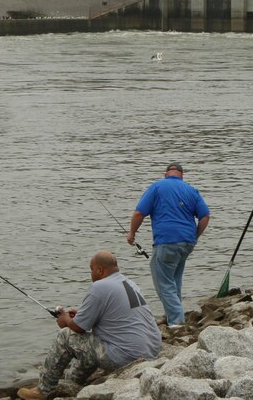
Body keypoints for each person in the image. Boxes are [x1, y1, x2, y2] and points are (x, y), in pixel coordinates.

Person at [17, 251, 161, 400]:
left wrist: (65, 319)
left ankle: (43, 390)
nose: (91, 274)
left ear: (100, 270)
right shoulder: (129, 283)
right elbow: (114, 314)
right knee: (91, 342)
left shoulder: (100, 286)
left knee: (66, 336)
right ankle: (71, 383)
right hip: (151, 350)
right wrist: (80, 313)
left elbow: (78, 327)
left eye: (91, 269)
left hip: (127, 356)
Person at [127, 162, 210, 327]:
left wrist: (132, 234)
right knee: (174, 280)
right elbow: (205, 216)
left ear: (166, 174)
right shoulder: (191, 190)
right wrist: (195, 236)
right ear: (182, 175)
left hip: (166, 242)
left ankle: (177, 322)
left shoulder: (157, 187)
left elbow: (139, 213)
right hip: (187, 243)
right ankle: (173, 314)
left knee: (163, 282)